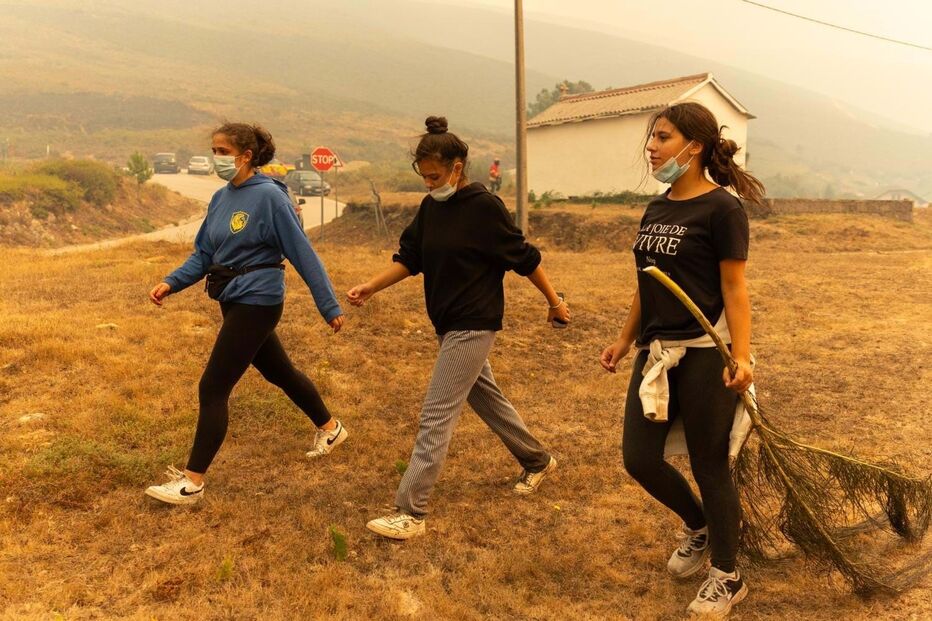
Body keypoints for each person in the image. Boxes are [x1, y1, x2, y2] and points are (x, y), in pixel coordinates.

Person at [347, 116, 570, 540]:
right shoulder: (432, 208)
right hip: (448, 324)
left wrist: (555, 302)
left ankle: (410, 512)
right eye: (424, 177)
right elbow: (410, 258)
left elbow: (526, 258)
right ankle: (537, 460)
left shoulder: (484, 207)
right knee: (486, 399)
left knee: (436, 415)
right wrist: (372, 287)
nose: (430, 184)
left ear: (458, 166)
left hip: (474, 322)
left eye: (436, 176)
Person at [599, 102, 764, 617]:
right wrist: (626, 339)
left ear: (693, 147)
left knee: (709, 464)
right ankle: (699, 526)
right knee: (639, 458)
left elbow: (735, 289)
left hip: (702, 353)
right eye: (653, 138)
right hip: (655, 351)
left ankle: (726, 573)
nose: (652, 146)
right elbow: (648, 283)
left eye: (663, 138)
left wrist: (740, 358)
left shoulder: (722, 209)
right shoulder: (658, 208)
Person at [145, 122, 348, 506]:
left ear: (246, 156)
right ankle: (331, 427)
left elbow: (302, 252)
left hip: (259, 299)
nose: (216, 158)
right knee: (279, 371)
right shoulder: (221, 197)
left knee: (213, 386)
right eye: (214, 150)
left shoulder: (271, 198)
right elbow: (205, 254)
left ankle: (192, 482)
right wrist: (171, 282)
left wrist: (328, 305)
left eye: (222, 151)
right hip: (231, 297)